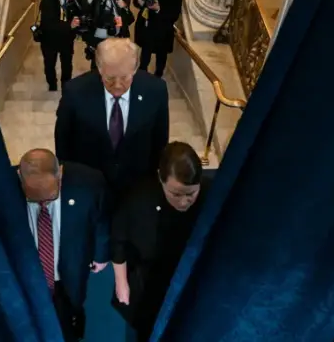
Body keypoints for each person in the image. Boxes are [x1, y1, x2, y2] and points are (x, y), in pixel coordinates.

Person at [110, 142, 207, 341]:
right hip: (149, 277)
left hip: (190, 274)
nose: (183, 202)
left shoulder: (210, 194)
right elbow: (119, 240)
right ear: (160, 179)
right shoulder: (138, 198)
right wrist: (121, 282)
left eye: (191, 194)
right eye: (176, 194)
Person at [55, 38, 169, 206]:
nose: (117, 85)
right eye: (109, 78)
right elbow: (63, 141)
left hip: (136, 187)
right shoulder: (75, 91)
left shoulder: (156, 90)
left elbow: (160, 140)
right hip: (89, 187)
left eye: (124, 78)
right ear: (99, 69)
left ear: (135, 68)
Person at [17, 149, 109, 341]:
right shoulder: (4, 189)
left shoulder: (88, 183)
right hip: (28, 277)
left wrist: (100, 255)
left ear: (60, 173)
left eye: (50, 196)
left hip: (68, 271)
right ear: (20, 177)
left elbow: (101, 219)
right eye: (35, 198)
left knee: (68, 320)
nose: (43, 202)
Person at [132, 0, 183, 77]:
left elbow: (174, 15)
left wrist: (158, 9)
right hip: (146, 26)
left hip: (162, 30)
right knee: (144, 56)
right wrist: (140, 0)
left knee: (161, 58)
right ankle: (142, 76)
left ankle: (157, 79)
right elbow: (136, 1)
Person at [77, 0, 134, 69]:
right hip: (98, 31)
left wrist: (124, 4)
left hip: (115, 31)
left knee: (115, 61)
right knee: (97, 61)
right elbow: (84, 7)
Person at [38, 0, 82, 91]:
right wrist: (69, 26)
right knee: (49, 64)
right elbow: (48, 25)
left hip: (66, 40)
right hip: (49, 41)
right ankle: (52, 84)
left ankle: (66, 85)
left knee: (67, 64)